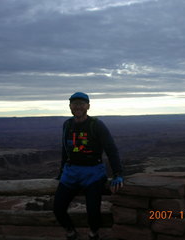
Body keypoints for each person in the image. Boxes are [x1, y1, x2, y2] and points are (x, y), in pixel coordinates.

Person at [54, 92, 124, 240]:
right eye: (75, 104)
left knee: (93, 211)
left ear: (88, 106)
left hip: (93, 173)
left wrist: (118, 173)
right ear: (70, 107)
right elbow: (65, 150)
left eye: (81, 103)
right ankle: (71, 232)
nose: (78, 106)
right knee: (58, 208)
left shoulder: (96, 125)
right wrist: (61, 171)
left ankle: (93, 234)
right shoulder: (67, 124)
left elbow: (111, 149)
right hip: (70, 172)